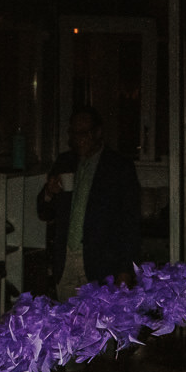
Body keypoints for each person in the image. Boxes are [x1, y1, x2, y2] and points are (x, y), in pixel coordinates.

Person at [37, 105, 142, 301]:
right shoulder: (65, 162)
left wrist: (125, 270)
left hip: (101, 264)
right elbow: (43, 212)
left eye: (84, 133)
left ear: (98, 132)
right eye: (74, 133)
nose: (78, 139)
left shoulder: (118, 167)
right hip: (66, 262)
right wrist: (49, 193)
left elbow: (130, 223)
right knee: (65, 325)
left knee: (97, 325)